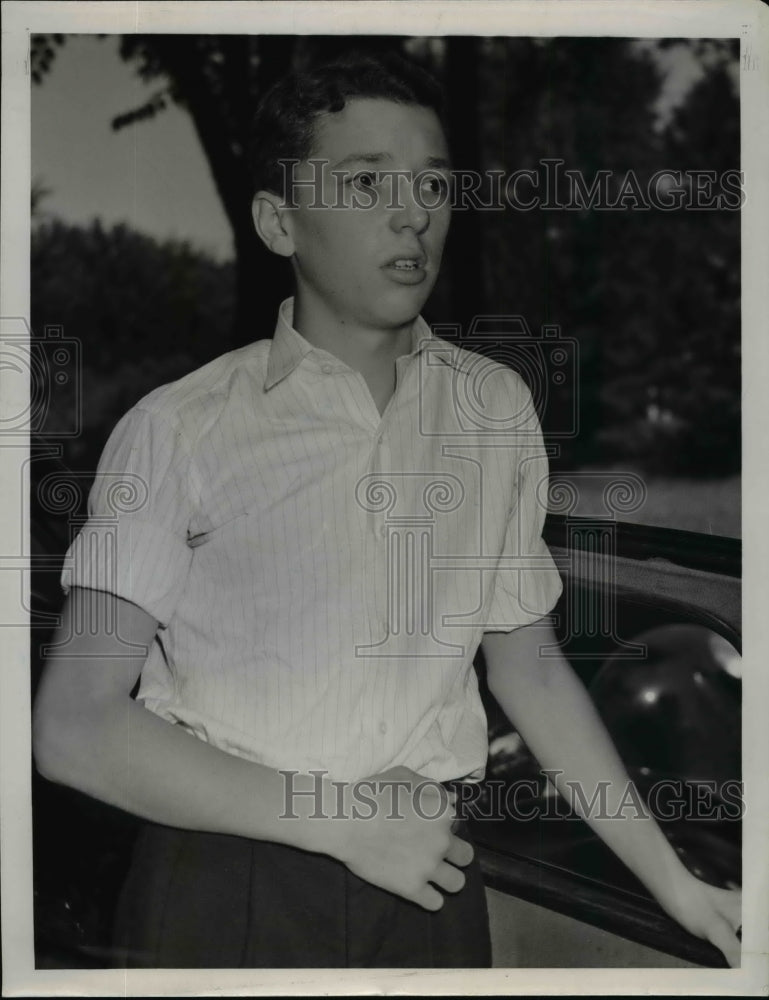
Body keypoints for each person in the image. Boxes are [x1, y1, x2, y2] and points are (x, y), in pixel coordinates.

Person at [32, 52, 741, 970]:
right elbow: (74, 726)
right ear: (278, 220)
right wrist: (345, 823)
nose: (412, 214)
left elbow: (529, 672)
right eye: (366, 182)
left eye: (432, 184)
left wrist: (675, 884)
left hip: (429, 880)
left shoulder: (495, 411)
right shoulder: (179, 429)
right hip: (229, 881)